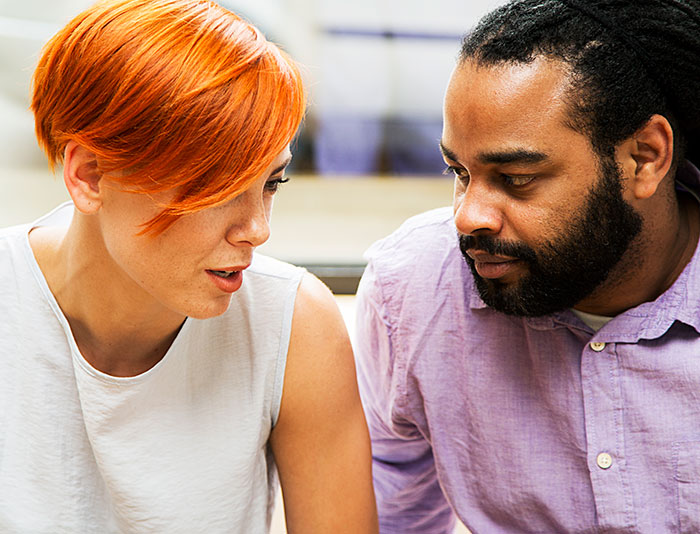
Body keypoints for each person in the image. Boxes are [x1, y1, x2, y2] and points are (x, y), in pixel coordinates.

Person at [0, 1, 378, 532]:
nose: (258, 229)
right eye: (215, 188)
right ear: (89, 177)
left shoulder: (292, 323)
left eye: (271, 183)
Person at [354, 0, 700, 532]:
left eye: (516, 177)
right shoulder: (413, 289)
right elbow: (390, 514)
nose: (468, 217)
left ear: (645, 157)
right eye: (459, 172)